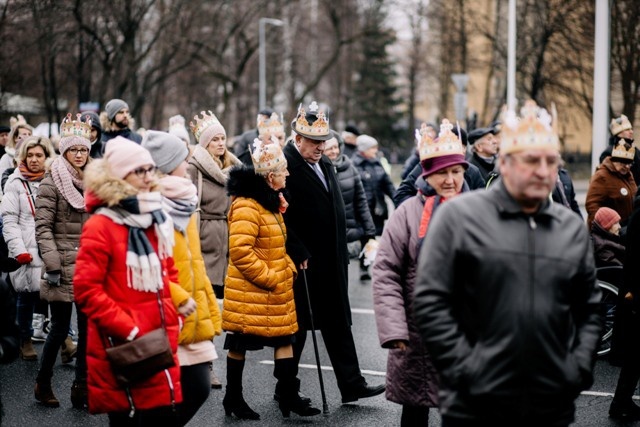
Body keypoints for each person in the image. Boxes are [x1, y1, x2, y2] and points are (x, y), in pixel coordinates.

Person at [413, 100, 603, 427]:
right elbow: (431, 301)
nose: (543, 171)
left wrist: (578, 368)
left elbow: (589, 306)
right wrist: (466, 369)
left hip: (551, 404)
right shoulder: (460, 218)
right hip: (475, 405)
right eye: (531, 161)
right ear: (503, 163)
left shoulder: (569, 226)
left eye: (551, 162)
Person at [72, 136, 195, 424]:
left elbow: (168, 272)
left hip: (160, 338)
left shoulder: (154, 215)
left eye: (150, 169)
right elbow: (86, 290)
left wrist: (175, 315)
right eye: (139, 171)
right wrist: (130, 330)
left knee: (163, 412)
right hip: (126, 344)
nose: (148, 177)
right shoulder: (100, 225)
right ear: (119, 176)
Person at [281, 101, 385, 404]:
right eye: (314, 142)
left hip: (333, 258)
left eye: (322, 141)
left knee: (338, 322)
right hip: (306, 262)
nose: (320, 147)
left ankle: (351, 383)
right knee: (298, 328)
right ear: (297, 139)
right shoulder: (286, 164)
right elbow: (281, 216)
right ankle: (285, 386)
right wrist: (297, 248)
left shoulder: (324, 162)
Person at [373, 119, 470, 426]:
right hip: (417, 336)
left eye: (456, 171)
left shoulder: (479, 211)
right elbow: (386, 271)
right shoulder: (408, 213)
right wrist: (394, 330)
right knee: (415, 409)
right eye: (442, 172)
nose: (451, 180)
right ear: (428, 173)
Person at [222, 137, 321, 420]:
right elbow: (240, 252)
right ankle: (233, 398)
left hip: (275, 285)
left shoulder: (271, 201)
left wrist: (287, 265)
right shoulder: (247, 206)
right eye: (284, 170)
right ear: (270, 176)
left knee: (284, 338)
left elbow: (278, 242)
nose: (288, 174)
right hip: (252, 289)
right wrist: (270, 277)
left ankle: (288, 396)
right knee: (240, 343)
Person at [142, 130, 222, 425]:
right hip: (165, 309)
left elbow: (194, 260)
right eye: (182, 158)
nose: (188, 163)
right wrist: (176, 296)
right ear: (167, 164)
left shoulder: (185, 200)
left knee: (198, 387)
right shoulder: (150, 204)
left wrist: (206, 302)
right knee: (165, 395)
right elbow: (146, 263)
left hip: (192, 306)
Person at [33, 114, 92, 408]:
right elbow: (43, 227)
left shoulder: (94, 180)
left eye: (83, 150)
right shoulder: (51, 180)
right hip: (61, 263)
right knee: (58, 329)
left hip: (88, 264)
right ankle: (42, 383)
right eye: (74, 150)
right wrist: (53, 265)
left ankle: (81, 387)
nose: (79, 155)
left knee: (87, 328)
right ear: (64, 151)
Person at [188, 110, 241, 387]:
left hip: (226, 242)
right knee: (201, 306)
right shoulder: (194, 168)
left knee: (218, 308)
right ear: (204, 144)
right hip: (203, 240)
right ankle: (202, 364)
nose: (221, 144)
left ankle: (205, 361)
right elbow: (190, 207)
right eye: (214, 140)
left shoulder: (234, 169)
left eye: (223, 139)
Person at [1, 136, 56, 362]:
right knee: (25, 296)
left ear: (46, 157)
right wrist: (18, 250)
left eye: (39, 155)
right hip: (26, 247)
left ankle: (64, 340)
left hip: (49, 246)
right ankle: (24, 338)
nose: (34, 160)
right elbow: (9, 219)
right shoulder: (15, 182)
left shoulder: (53, 180)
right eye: (30, 155)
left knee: (55, 296)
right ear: (23, 157)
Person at [393, 126, 485, 207]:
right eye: (442, 172)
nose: (449, 180)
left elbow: (483, 203)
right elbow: (401, 195)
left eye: (456, 172)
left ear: (464, 149)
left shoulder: (473, 172)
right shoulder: (427, 165)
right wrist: (423, 208)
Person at [323, 130, 376, 259]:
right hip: (327, 236)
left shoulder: (350, 168)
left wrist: (370, 231)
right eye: (329, 149)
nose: (334, 151)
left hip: (350, 232)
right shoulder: (319, 171)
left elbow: (361, 201)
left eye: (336, 147)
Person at [351, 134, 395, 280]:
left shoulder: (377, 164)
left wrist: (398, 201)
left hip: (377, 210)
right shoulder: (354, 164)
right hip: (362, 211)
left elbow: (388, 185)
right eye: (372, 148)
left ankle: (372, 263)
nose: (375, 150)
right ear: (364, 149)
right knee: (366, 237)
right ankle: (364, 267)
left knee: (375, 238)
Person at [585, 139, 637, 232]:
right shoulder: (601, 176)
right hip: (610, 233)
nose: (627, 167)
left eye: (629, 163)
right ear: (614, 161)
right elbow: (592, 206)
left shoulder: (628, 175)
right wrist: (607, 228)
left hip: (625, 230)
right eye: (623, 163)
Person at [599, 114, 639, 185]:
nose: (631, 132)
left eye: (631, 129)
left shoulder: (636, 151)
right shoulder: (609, 152)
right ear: (618, 132)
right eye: (627, 129)